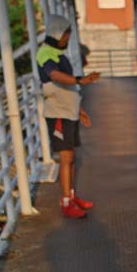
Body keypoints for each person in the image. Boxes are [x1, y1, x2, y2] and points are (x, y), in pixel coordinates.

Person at [36, 14, 101, 219]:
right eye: (65, 35)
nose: (67, 39)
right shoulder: (45, 53)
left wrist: (79, 108)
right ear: (56, 34)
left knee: (71, 157)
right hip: (57, 113)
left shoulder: (58, 53)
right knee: (66, 158)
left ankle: (71, 196)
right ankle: (66, 202)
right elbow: (54, 76)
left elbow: (66, 85)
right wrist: (80, 80)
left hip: (67, 110)